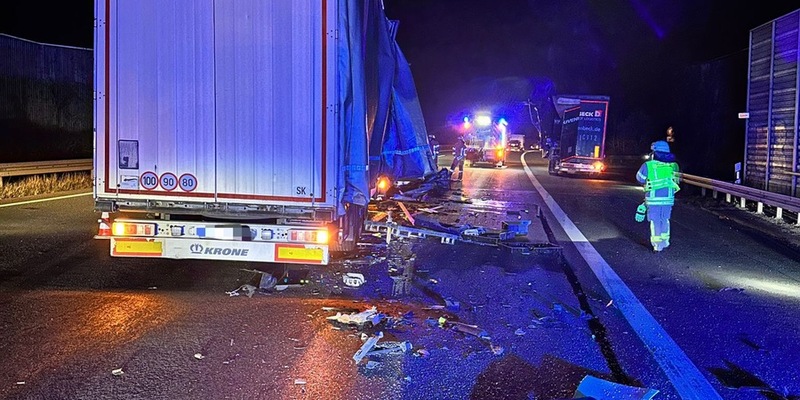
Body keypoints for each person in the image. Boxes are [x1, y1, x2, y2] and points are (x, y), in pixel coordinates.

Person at [636, 140, 680, 252]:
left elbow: (640, 178)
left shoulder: (648, 165)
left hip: (653, 199)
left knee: (655, 221)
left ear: (654, 152)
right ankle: (665, 242)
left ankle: (657, 245)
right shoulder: (673, 166)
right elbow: (677, 180)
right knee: (665, 219)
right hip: (668, 199)